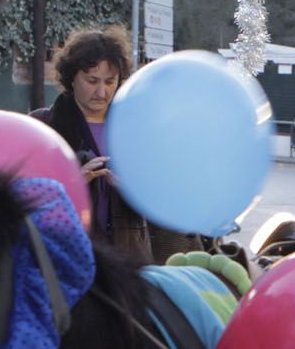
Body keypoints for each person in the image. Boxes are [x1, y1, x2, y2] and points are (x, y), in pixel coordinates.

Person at [37, 27, 197, 263]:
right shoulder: (42, 127)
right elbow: (23, 197)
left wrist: (136, 188)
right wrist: (71, 182)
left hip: (129, 262)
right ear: (71, 77)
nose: (102, 92)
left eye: (110, 81)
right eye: (92, 80)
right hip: (66, 258)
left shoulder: (138, 128)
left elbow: (164, 196)